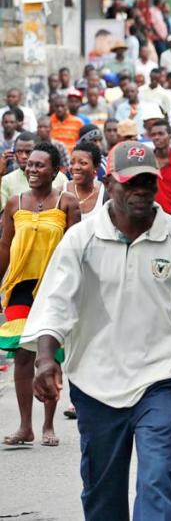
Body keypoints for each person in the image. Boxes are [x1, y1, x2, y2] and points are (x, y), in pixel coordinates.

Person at [22, 141, 171, 520]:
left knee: (158, 479)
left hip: (159, 380)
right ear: (110, 183)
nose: (140, 192)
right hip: (96, 383)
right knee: (103, 493)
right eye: (130, 183)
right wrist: (46, 359)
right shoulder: (82, 240)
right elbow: (56, 303)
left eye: (147, 183)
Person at [0, 143, 81, 446]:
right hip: (20, 287)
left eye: (40, 165)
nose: (32, 170)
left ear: (56, 170)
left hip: (54, 289)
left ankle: (48, 424)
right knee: (22, 355)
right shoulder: (14, 202)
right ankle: (25, 426)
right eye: (29, 165)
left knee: (49, 356)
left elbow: (75, 251)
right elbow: (5, 247)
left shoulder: (66, 203)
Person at [68, 142, 105, 220]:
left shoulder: (105, 194)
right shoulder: (61, 192)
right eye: (72, 163)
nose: (76, 167)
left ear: (96, 167)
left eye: (83, 163)